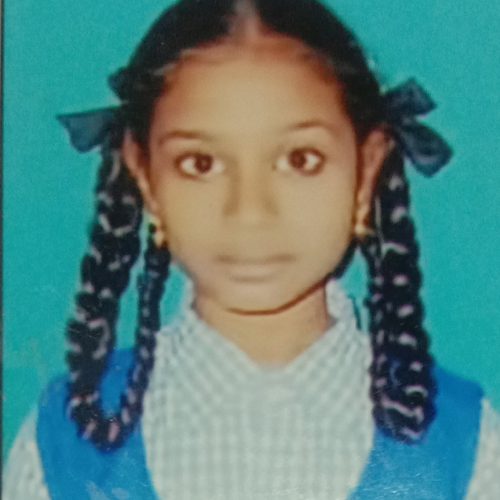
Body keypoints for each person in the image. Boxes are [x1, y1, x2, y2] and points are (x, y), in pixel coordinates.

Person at [4, 0, 499, 498]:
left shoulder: (465, 448)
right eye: (200, 163)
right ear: (146, 178)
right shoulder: (62, 449)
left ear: (367, 170)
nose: (250, 211)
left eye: (300, 159)